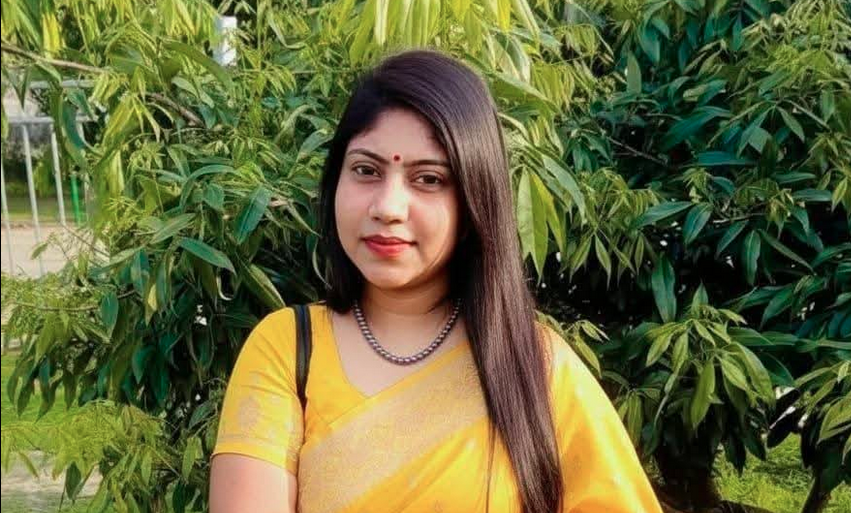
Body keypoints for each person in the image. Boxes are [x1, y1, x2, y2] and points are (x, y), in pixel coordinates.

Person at [208, 49, 662, 513]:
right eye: (366, 170)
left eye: (428, 179)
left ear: (474, 199)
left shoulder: (537, 369)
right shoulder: (287, 350)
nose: (388, 207)